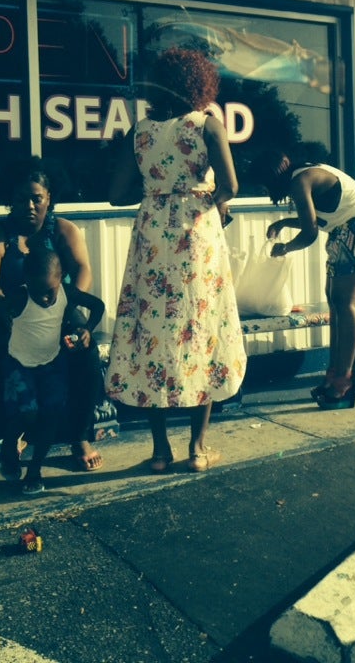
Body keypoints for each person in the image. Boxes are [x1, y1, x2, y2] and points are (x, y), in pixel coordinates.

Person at [105, 47, 246, 473]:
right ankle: (198, 448)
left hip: (152, 237)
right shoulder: (206, 125)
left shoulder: (142, 131)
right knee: (200, 329)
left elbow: (116, 194)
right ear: (199, 83)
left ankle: (160, 451)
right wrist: (208, 202)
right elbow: (231, 185)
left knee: (154, 333)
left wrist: (157, 192)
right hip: (196, 237)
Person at [0, 157, 107, 472]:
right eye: (21, 198)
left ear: (49, 199)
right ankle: (17, 433)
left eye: (37, 198)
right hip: (11, 319)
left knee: (87, 354)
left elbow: (82, 270)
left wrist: (69, 305)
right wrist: (11, 308)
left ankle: (80, 437)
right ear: (10, 199)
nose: (29, 205)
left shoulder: (63, 230)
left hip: (58, 316)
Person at [252, 150, 355, 409]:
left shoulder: (299, 181)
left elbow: (310, 233)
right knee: (335, 302)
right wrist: (284, 222)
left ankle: (344, 380)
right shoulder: (302, 173)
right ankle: (334, 373)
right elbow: (319, 218)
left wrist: (285, 247)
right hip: (344, 228)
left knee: (345, 303)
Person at [0, 248, 104, 495]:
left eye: (48, 292)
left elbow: (98, 305)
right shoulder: (20, 298)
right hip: (19, 366)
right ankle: (8, 446)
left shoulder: (67, 293)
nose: (43, 298)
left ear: (61, 279)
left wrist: (88, 329)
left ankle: (34, 471)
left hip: (51, 365)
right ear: (25, 283)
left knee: (50, 415)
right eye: (36, 291)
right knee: (26, 414)